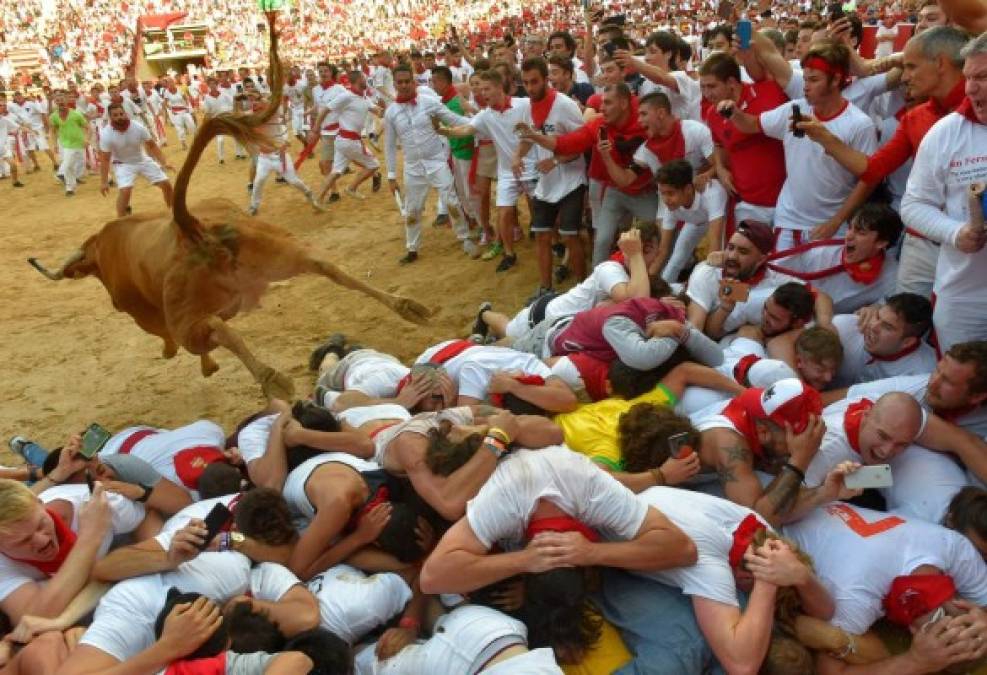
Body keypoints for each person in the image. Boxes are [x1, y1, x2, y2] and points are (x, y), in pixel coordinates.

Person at [797, 27, 969, 298]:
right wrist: (826, 138)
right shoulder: (915, 118)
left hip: (974, 245)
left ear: (940, 64)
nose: (905, 76)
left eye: (911, 67)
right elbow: (874, 169)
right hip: (923, 240)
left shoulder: (976, 113)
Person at [418, 445, 698, 595]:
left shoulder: (589, 487)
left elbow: (683, 549)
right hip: (504, 461)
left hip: (563, 465)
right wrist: (523, 561)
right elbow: (431, 578)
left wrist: (593, 553)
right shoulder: (503, 501)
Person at [782, 501, 987, 673]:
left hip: (794, 509)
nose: (946, 620)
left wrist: (915, 661)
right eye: (952, 615)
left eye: (940, 629)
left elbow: (831, 670)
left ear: (913, 631)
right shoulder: (955, 546)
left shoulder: (854, 601)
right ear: (961, 603)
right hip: (795, 503)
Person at [721, 41, 878, 250]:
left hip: (831, 227)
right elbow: (751, 124)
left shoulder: (859, 124)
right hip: (788, 222)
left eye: (814, 80)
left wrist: (837, 221)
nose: (806, 86)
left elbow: (868, 181)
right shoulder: (793, 109)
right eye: (805, 79)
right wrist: (734, 112)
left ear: (836, 80)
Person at [900, 33, 987, 353]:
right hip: (966, 297)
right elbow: (913, 205)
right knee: (962, 393)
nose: (970, 89)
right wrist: (956, 232)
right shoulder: (947, 132)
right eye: (968, 78)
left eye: (982, 77)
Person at [518, 83, 654, 267]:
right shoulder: (598, 125)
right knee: (602, 240)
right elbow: (566, 144)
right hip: (616, 191)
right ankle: (596, 283)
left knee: (661, 235)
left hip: (645, 192)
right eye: (601, 103)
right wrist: (535, 136)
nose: (602, 108)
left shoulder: (646, 120)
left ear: (623, 103)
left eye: (608, 103)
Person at [474, 227, 658, 344]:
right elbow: (638, 302)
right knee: (508, 334)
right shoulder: (610, 269)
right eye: (649, 251)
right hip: (544, 317)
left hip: (561, 315)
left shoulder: (637, 276)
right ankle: (484, 315)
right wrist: (635, 255)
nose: (657, 258)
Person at [436, 69, 536, 272]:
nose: (483, 94)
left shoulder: (523, 104)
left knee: (540, 210)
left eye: (487, 89)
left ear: (500, 87)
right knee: (504, 211)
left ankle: (554, 242)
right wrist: (444, 131)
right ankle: (509, 253)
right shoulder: (485, 115)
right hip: (507, 171)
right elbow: (466, 129)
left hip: (531, 166)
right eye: (481, 90)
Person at [384, 64, 476, 264]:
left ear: (413, 81)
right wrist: (391, 176)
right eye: (400, 82)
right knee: (413, 209)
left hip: (436, 161)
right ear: (395, 84)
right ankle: (412, 248)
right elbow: (389, 146)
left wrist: (479, 122)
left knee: (451, 201)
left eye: (408, 81)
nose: (404, 85)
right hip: (413, 167)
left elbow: (453, 120)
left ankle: (465, 237)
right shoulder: (391, 113)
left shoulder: (428, 103)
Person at [0, 479, 124, 624]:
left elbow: (149, 518)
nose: (43, 541)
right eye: (23, 541)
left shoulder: (96, 503)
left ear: (40, 503)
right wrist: (90, 538)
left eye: (41, 525)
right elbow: (32, 618)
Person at [512, 57, 587, 296]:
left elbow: (581, 145)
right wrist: (517, 157)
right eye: (525, 83)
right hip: (547, 181)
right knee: (542, 235)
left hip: (571, 179)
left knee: (569, 236)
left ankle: (582, 287)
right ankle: (545, 288)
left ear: (546, 79)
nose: (530, 88)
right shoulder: (526, 106)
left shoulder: (565, 105)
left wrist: (555, 160)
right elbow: (526, 137)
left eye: (535, 82)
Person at [767, 202, 902, 314]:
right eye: (850, 228)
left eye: (861, 233)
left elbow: (890, 308)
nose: (848, 236)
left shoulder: (893, 276)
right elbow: (772, 270)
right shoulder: (821, 251)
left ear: (881, 243)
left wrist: (876, 308)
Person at [827, 293, 938, 387]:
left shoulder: (921, 376)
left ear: (907, 342)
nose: (873, 326)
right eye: (878, 316)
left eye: (887, 327)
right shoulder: (843, 327)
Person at [652, 159, 728, 283]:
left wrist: (702, 282)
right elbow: (663, 251)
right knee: (676, 259)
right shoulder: (671, 207)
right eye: (662, 193)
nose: (666, 200)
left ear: (687, 189)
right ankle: (660, 291)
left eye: (670, 193)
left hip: (724, 220)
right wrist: (646, 282)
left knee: (720, 259)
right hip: (696, 222)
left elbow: (715, 246)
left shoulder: (712, 194)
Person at [98, 102, 174, 217]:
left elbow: (152, 146)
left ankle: (173, 212)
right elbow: (104, 159)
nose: (119, 117)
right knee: (125, 191)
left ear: (125, 113)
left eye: (121, 114)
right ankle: (121, 220)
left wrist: (164, 162)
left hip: (142, 160)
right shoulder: (106, 134)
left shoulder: (138, 127)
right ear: (110, 117)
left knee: (166, 184)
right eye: (115, 115)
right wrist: (104, 181)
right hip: (122, 164)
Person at [315, 70, 380, 202]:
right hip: (350, 141)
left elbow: (378, 111)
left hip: (343, 140)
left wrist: (387, 109)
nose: (366, 79)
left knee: (336, 171)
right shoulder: (347, 96)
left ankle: (317, 199)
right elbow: (326, 109)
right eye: (363, 77)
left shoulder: (364, 97)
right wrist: (316, 127)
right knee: (373, 165)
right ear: (357, 80)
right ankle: (351, 188)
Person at [48, 92, 88, 196]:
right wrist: (54, 144)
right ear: (55, 103)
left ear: (66, 101)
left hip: (79, 143)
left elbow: (87, 127)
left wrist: (86, 139)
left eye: (62, 100)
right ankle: (69, 187)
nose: (60, 102)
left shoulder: (76, 114)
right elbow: (52, 130)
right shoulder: (53, 117)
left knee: (81, 163)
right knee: (67, 164)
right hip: (66, 144)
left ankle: (73, 178)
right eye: (58, 101)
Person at [199, 76, 235, 164]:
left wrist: (232, 113)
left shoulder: (224, 94)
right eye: (210, 84)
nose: (212, 85)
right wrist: (205, 123)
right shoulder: (207, 97)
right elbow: (208, 112)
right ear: (208, 85)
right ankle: (221, 158)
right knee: (220, 139)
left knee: (236, 135)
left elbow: (233, 104)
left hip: (228, 117)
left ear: (216, 84)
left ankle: (239, 153)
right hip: (217, 120)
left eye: (214, 84)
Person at [161, 78, 196, 151]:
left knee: (191, 125)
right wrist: (170, 109)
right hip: (175, 112)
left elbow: (186, 98)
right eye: (168, 83)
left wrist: (187, 107)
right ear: (167, 85)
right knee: (179, 129)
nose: (170, 84)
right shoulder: (166, 92)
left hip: (184, 110)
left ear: (174, 82)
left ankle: (196, 140)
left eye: (171, 82)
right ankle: (183, 144)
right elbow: (165, 103)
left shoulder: (179, 89)